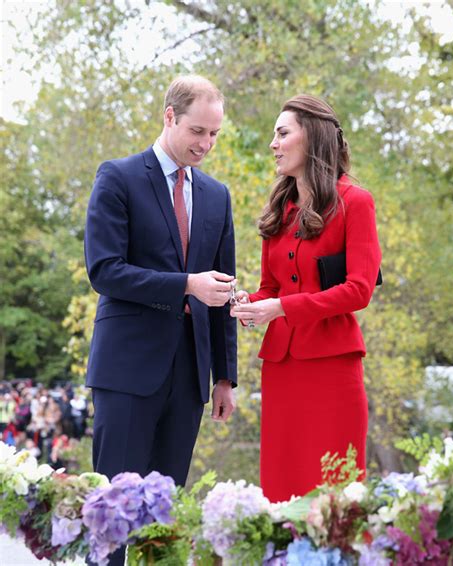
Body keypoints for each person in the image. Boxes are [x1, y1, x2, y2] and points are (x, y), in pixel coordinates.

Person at [84, 75, 237, 565]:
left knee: (163, 524)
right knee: (110, 518)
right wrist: (185, 284)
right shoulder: (118, 176)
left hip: (189, 378)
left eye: (214, 134)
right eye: (197, 131)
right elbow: (104, 270)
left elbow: (222, 287)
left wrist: (225, 377)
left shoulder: (218, 196)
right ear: (169, 116)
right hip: (127, 373)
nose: (206, 144)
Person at [231, 94, 381, 503]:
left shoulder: (356, 202)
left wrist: (280, 308)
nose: (272, 144)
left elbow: (358, 290)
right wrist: (250, 303)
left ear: (311, 137)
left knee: (336, 493)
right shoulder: (279, 211)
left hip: (333, 368)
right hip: (282, 371)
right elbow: (271, 289)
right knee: (282, 488)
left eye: (282, 133)